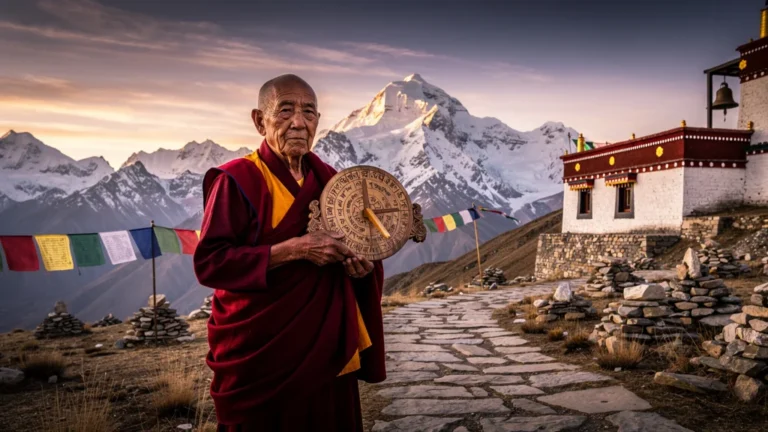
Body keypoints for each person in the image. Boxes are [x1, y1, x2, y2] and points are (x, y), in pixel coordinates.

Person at [193, 74, 386, 431]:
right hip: (261, 350)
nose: (298, 122)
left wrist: (361, 270)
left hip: (326, 344)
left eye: (309, 112)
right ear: (259, 120)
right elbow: (210, 263)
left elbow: (360, 246)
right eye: (285, 110)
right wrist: (293, 250)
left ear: (317, 121)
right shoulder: (237, 180)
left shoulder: (333, 182)